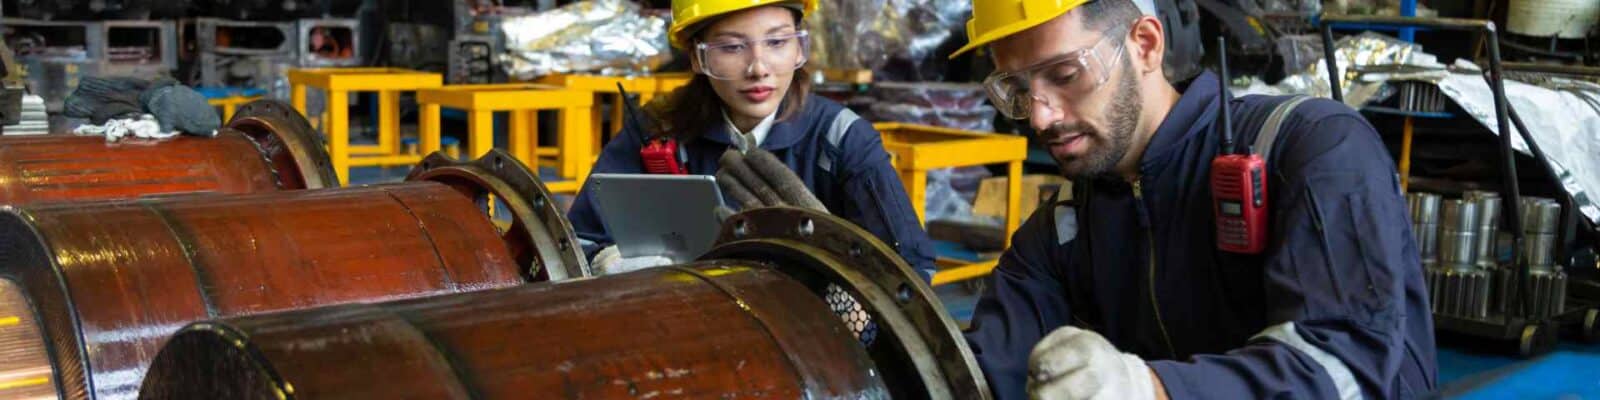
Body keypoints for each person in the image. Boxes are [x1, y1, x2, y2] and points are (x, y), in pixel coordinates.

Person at [949, 0, 1437, 399]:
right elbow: (981, 371)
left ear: (1145, 45)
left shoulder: (1314, 147)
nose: (1039, 117)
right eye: (1016, 89)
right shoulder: (1068, 224)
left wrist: (1149, 389)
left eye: (1064, 74)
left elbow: (1346, 367)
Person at [566, 0, 937, 280]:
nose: (758, 67)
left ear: (799, 48)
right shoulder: (656, 129)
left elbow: (910, 269)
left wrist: (833, 269)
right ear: (697, 57)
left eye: (777, 41)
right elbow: (579, 240)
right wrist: (610, 261)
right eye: (731, 47)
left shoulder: (842, 136)